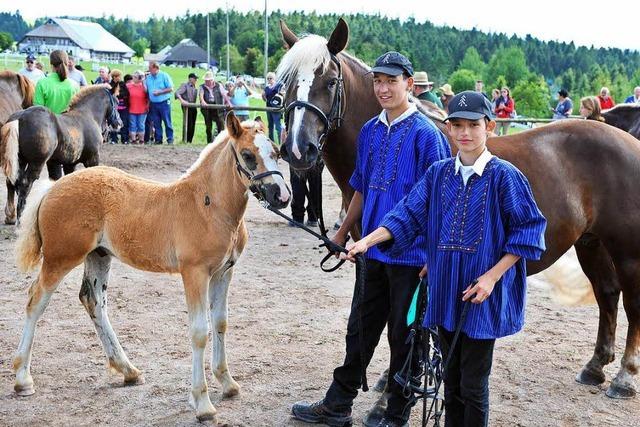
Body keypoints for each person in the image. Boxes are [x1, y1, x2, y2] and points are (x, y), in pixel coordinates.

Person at [342, 91, 546, 427]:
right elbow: (406, 215)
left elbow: (529, 232)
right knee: (449, 381)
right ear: (448, 129)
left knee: (473, 385)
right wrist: (366, 241)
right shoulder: (438, 174)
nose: (465, 133)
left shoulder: (505, 176)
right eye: (457, 125)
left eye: (473, 125)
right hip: (446, 291)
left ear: (489, 127)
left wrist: (492, 277)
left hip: (480, 297)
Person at [291, 51, 452, 427]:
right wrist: (342, 233)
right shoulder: (370, 131)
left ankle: (397, 412)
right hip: (371, 252)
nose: (383, 88)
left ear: (409, 85)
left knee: (404, 334)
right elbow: (359, 188)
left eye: (391, 81)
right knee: (359, 327)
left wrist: (434, 255)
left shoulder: (428, 136)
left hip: (411, 258)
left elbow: (441, 203)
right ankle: (339, 403)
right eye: (378, 81)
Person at [33, 50, 79, 114]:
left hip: (47, 123)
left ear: (51, 64)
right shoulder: (75, 85)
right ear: (67, 63)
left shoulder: (42, 83)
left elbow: (37, 112)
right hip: (68, 123)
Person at [146, 61, 174, 144]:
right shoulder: (149, 77)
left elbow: (171, 88)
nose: (149, 70)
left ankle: (170, 139)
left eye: (150, 68)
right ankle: (158, 139)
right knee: (156, 122)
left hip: (164, 102)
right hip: (153, 103)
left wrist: (160, 92)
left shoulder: (164, 76)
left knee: (167, 121)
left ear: (155, 68)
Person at [199, 71, 228, 143]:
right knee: (208, 126)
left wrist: (228, 102)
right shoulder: (202, 86)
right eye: (206, 80)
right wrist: (202, 101)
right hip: (207, 108)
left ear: (212, 80)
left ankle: (220, 142)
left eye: (208, 80)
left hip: (218, 107)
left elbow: (224, 94)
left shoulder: (219, 85)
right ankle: (209, 142)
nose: (206, 81)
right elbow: (201, 95)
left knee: (221, 125)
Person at [175, 73, 199, 143]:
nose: (196, 80)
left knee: (193, 124)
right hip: (187, 107)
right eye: (195, 78)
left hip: (193, 106)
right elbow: (177, 93)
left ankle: (189, 141)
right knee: (189, 124)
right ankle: (186, 140)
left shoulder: (195, 87)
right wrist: (182, 100)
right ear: (190, 78)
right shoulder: (185, 85)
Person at [126, 70, 149, 144]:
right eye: (134, 76)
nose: (134, 78)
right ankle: (133, 140)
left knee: (141, 125)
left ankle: (141, 140)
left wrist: (143, 80)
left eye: (137, 77)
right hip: (132, 108)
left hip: (142, 109)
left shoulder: (144, 86)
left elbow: (147, 93)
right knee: (132, 125)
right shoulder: (128, 86)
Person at [262, 71, 284, 143]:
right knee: (270, 126)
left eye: (270, 78)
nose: (269, 80)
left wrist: (280, 94)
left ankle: (280, 142)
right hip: (268, 108)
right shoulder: (266, 88)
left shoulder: (278, 86)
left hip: (276, 109)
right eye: (268, 78)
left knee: (278, 126)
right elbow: (265, 99)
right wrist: (263, 96)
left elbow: (283, 94)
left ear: (274, 78)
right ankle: (271, 142)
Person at [109, 69, 129, 144]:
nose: (118, 78)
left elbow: (126, 94)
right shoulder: (110, 84)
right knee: (113, 123)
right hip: (113, 108)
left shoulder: (122, 84)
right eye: (117, 76)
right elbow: (110, 94)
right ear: (113, 77)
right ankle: (114, 139)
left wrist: (119, 95)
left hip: (123, 107)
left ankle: (125, 139)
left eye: (119, 76)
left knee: (124, 123)